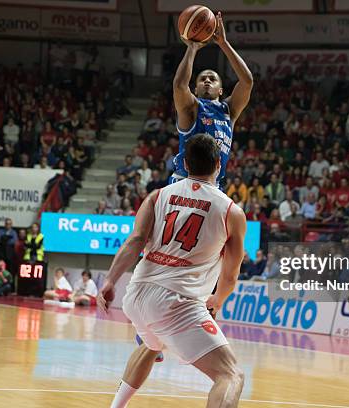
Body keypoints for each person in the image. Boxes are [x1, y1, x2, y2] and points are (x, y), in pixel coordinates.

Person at [98, 134, 247, 408]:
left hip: (136, 297)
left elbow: (135, 241)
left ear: (185, 164)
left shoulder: (157, 196)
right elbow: (231, 273)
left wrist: (109, 281)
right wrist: (219, 299)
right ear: (218, 164)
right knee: (231, 374)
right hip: (176, 302)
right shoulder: (231, 212)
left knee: (152, 344)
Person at [170, 11, 252, 187]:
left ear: (221, 90)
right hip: (185, 183)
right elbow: (179, 86)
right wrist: (191, 48)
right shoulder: (192, 107)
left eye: (212, 79)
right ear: (195, 89)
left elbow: (247, 81)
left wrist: (224, 43)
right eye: (202, 79)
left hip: (214, 185)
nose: (207, 80)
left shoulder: (229, 111)